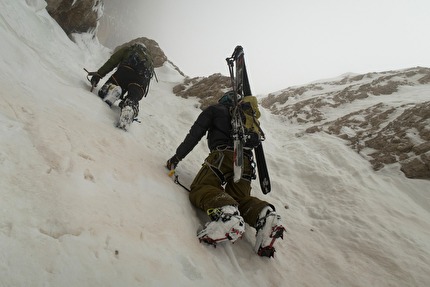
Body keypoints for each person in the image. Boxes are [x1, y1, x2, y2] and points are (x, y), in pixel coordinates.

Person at [166, 91, 285, 257]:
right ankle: (265, 217)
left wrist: (176, 158)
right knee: (241, 199)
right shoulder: (248, 119)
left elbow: (193, 136)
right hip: (246, 163)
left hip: (223, 157)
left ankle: (227, 214)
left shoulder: (215, 109)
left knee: (202, 187)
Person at [89, 42, 155, 129]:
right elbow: (147, 80)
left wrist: (99, 75)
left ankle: (112, 89)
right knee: (133, 97)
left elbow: (112, 62)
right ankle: (130, 106)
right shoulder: (149, 61)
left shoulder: (129, 49)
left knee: (105, 90)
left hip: (125, 72)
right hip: (141, 79)